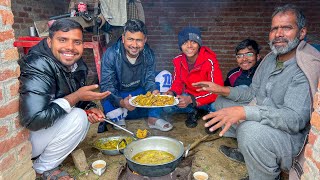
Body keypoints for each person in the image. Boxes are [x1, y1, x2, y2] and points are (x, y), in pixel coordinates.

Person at [193, 4, 320, 179]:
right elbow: (253, 93)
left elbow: (295, 120)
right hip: (265, 117)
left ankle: (263, 171)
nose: (279, 34)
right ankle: (250, 153)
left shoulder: (304, 67)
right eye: (274, 28)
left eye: (286, 28)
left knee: (249, 131)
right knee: (220, 102)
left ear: (302, 32)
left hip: (290, 138)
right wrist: (222, 89)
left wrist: (245, 112)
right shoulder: (270, 60)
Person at [18, 19, 111, 179]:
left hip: (44, 131)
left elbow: (76, 99)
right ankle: (42, 168)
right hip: (25, 142)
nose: (70, 47)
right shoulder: (38, 64)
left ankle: (44, 163)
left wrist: (89, 107)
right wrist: (77, 96)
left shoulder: (77, 64)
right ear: (49, 41)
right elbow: (33, 120)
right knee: (78, 118)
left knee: (82, 117)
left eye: (77, 42)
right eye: (62, 40)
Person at [99, 19, 173, 133]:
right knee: (105, 95)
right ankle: (119, 117)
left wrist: (153, 91)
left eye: (139, 40)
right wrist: (122, 102)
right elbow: (107, 84)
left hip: (138, 92)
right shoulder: (111, 54)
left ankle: (153, 118)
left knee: (165, 76)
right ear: (123, 39)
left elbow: (149, 78)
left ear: (145, 40)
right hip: (120, 95)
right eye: (130, 39)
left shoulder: (148, 53)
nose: (134, 45)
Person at [163, 26, 224, 128]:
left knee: (217, 106)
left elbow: (217, 91)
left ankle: (204, 112)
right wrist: (172, 92)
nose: (189, 46)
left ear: (199, 44)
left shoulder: (210, 61)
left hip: (208, 98)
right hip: (189, 95)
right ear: (180, 46)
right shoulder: (178, 60)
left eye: (193, 42)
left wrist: (191, 100)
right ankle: (194, 110)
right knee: (167, 107)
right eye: (185, 42)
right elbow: (177, 83)